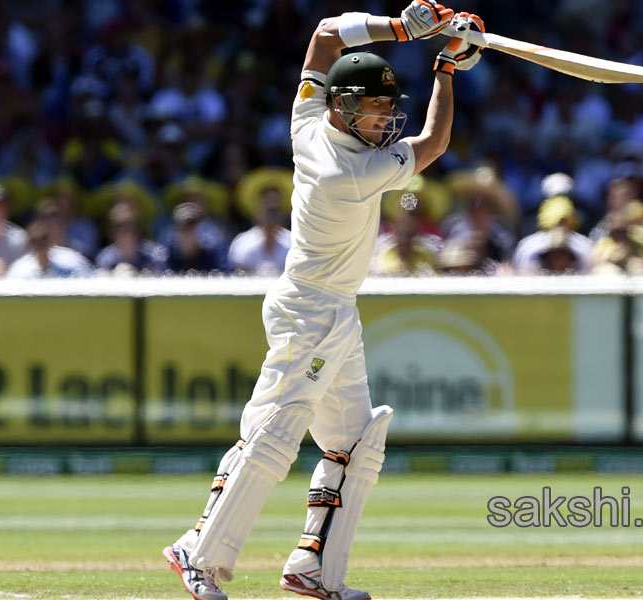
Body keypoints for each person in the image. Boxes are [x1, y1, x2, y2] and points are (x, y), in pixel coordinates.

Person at [162, 3, 476, 600]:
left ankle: (313, 569)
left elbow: (326, 33)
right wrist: (446, 68)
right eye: (376, 108)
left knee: (355, 442)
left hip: (336, 311)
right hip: (309, 309)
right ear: (345, 107)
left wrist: (403, 29)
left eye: (389, 108)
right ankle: (196, 550)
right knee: (274, 436)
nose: (386, 120)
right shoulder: (351, 171)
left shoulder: (306, 119)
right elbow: (433, 143)